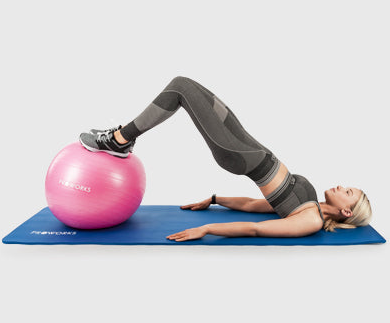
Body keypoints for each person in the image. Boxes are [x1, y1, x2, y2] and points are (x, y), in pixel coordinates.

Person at [79, 76, 372, 241]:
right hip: (246, 143)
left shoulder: (310, 221)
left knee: (181, 87)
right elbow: (253, 206)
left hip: (239, 154)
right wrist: (216, 198)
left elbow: (256, 228)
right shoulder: (312, 206)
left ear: (346, 212)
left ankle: (119, 140)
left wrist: (207, 228)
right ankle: (120, 138)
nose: (342, 186)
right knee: (191, 87)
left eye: (348, 193)